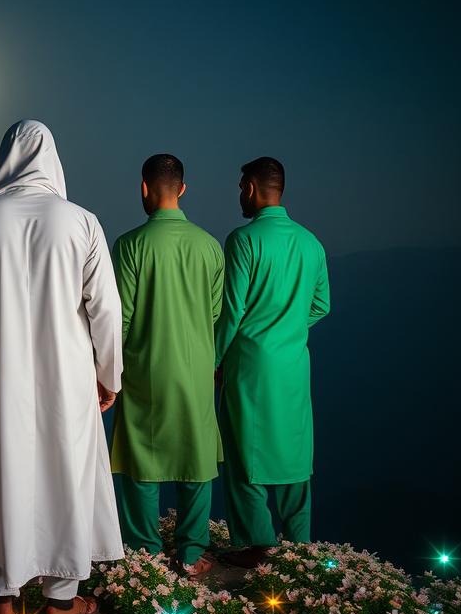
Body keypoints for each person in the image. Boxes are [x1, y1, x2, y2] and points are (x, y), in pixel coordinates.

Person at [0, 119, 123, 614]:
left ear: (4, 159)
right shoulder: (82, 222)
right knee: (65, 469)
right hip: (68, 375)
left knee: (2, 469)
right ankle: (61, 603)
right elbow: (106, 310)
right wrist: (108, 374)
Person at [110, 153, 224, 577]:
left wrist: (106, 371)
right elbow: (215, 313)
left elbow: (119, 316)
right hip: (196, 369)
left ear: (144, 188)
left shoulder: (130, 245)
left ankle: (145, 554)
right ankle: (192, 553)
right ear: (183, 189)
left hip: (144, 370)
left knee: (141, 458)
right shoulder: (210, 245)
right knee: (196, 457)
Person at [214, 156, 330, 567]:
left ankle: (259, 545)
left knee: (246, 453)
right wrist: (290, 326)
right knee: (296, 452)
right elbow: (321, 305)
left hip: (250, 362)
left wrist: (213, 359)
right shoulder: (310, 242)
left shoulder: (244, 240)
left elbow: (232, 311)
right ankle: (300, 547)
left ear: (249, 187)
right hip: (294, 364)